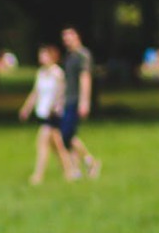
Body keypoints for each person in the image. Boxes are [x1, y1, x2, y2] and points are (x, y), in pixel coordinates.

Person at [17, 45, 73, 185]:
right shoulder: (41, 73)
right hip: (43, 112)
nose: (41, 57)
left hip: (53, 114)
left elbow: (61, 92)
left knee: (42, 143)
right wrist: (26, 108)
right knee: (57, 146)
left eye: (44, 55)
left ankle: (38, 175)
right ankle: (69, 171)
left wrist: (53, 106)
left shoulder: (57, 73)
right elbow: (36, 92)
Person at [58, 28, 102, 179]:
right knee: (70, 135)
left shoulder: (83, 55)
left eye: (69, 37)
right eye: (65, 38)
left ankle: (90, 161)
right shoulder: (69, 56)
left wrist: (84, 102)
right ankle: (76, 169)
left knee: (66, 135)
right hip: (68, 99)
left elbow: (85, 78)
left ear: (77, 37)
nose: (67, 40)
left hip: (76, 100)